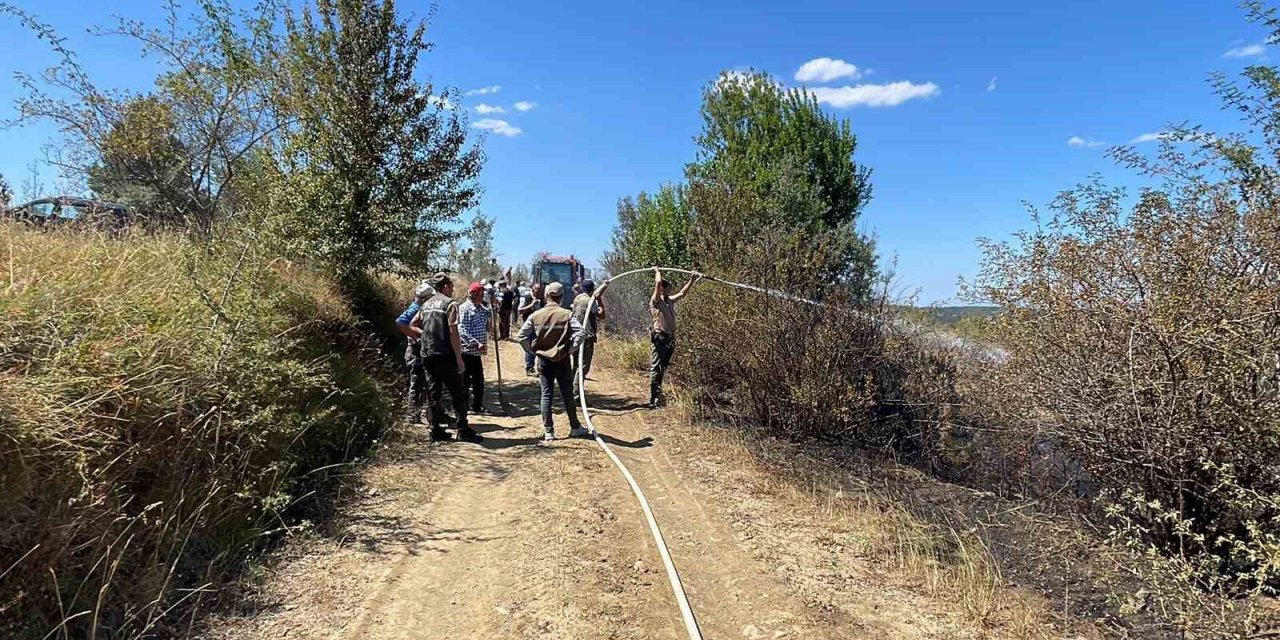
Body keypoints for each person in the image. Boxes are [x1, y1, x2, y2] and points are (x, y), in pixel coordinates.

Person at [410, 273, 483, 442]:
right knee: (458, 392)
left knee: (433, 392)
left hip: (427, 354)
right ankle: (462, 429)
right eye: (451, 286)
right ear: (444, 287)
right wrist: (459, 359)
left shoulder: (426, 304)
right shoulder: (450, 304)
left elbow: (412, 324)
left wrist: (427, 335)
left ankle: (435, 430)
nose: (453, 289)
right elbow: (453, 333)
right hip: (445, 355)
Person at [517, 282, 587, 441]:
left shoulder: (536, 315)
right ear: (561, 297)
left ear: (546, 295)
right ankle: (575, 427)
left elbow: (521, 336)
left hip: (543, 360)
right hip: (562, 360)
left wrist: (531, 351)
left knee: (546, 394)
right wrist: (570, 350)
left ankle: (549, 432)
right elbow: (581, 332)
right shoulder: (567, 314)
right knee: (567, 394)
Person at [648, 267, 699, 408]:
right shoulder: (656, 301)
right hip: (660, 338)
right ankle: (654, 398)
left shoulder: (668, 301)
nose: (669, 290)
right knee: (656, 368)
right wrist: (657, 271)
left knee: (663, 367)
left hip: (670, 338)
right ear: (662, 289)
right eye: (667, 288)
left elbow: (683, 293)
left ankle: (658, 394)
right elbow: (658, 284)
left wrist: (692, 279)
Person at [396, 281, 434, 424]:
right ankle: (412, 415)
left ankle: (417, 414)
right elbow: (400, 322)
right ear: (424, 298)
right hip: (415, 352)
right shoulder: (415, 309)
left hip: (419, 351)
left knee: (421, 382)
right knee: (416, 383)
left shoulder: (419, 308)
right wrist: (414, 337)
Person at [458, 282, 492, 415]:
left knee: (479, 380)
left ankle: (477, 405)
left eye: (483, 293)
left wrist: (493, 304)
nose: (482, 295)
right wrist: (475, 342)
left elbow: (488, 315)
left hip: (476, 353)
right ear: (473, 294)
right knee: (465, 380)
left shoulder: (480, 308)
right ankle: (464, 406)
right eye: (480, 293)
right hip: (466, 351)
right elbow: (462, 330)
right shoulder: (464, 308)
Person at [571, 279, 609, 395]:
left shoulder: (577, 298)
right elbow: (601, 315)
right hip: (586, 337)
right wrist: (599, 300)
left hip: (575, 336)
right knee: (583, 367)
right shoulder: (590, 300)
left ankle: (572, 392)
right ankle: (576, 395)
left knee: (576, 366)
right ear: (592, 289)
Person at [518, 283, 545, 376]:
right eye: (537, 291)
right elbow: (520, 310)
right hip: (529, 326)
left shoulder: (543, 300)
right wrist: (531, 305)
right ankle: (529, 368)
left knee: (540, 346)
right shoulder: (526, 298)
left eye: (540, 291)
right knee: (530, 346)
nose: (539, 293)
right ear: (533, 290)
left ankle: (540, 368)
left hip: (540, 326)